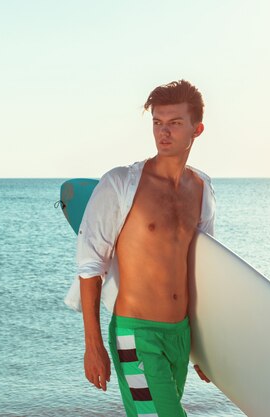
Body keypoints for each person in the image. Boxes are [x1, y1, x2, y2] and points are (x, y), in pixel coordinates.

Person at [64, 79, 216, 416]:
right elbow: (91, 266)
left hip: (180, 336)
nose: (164, 133)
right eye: (157, 123)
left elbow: (198, 272)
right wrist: (93, 345)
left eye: (175, 123)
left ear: (197, 129)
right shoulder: (120, 184)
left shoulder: (201, 190)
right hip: (137, 335)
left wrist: (202, 349)